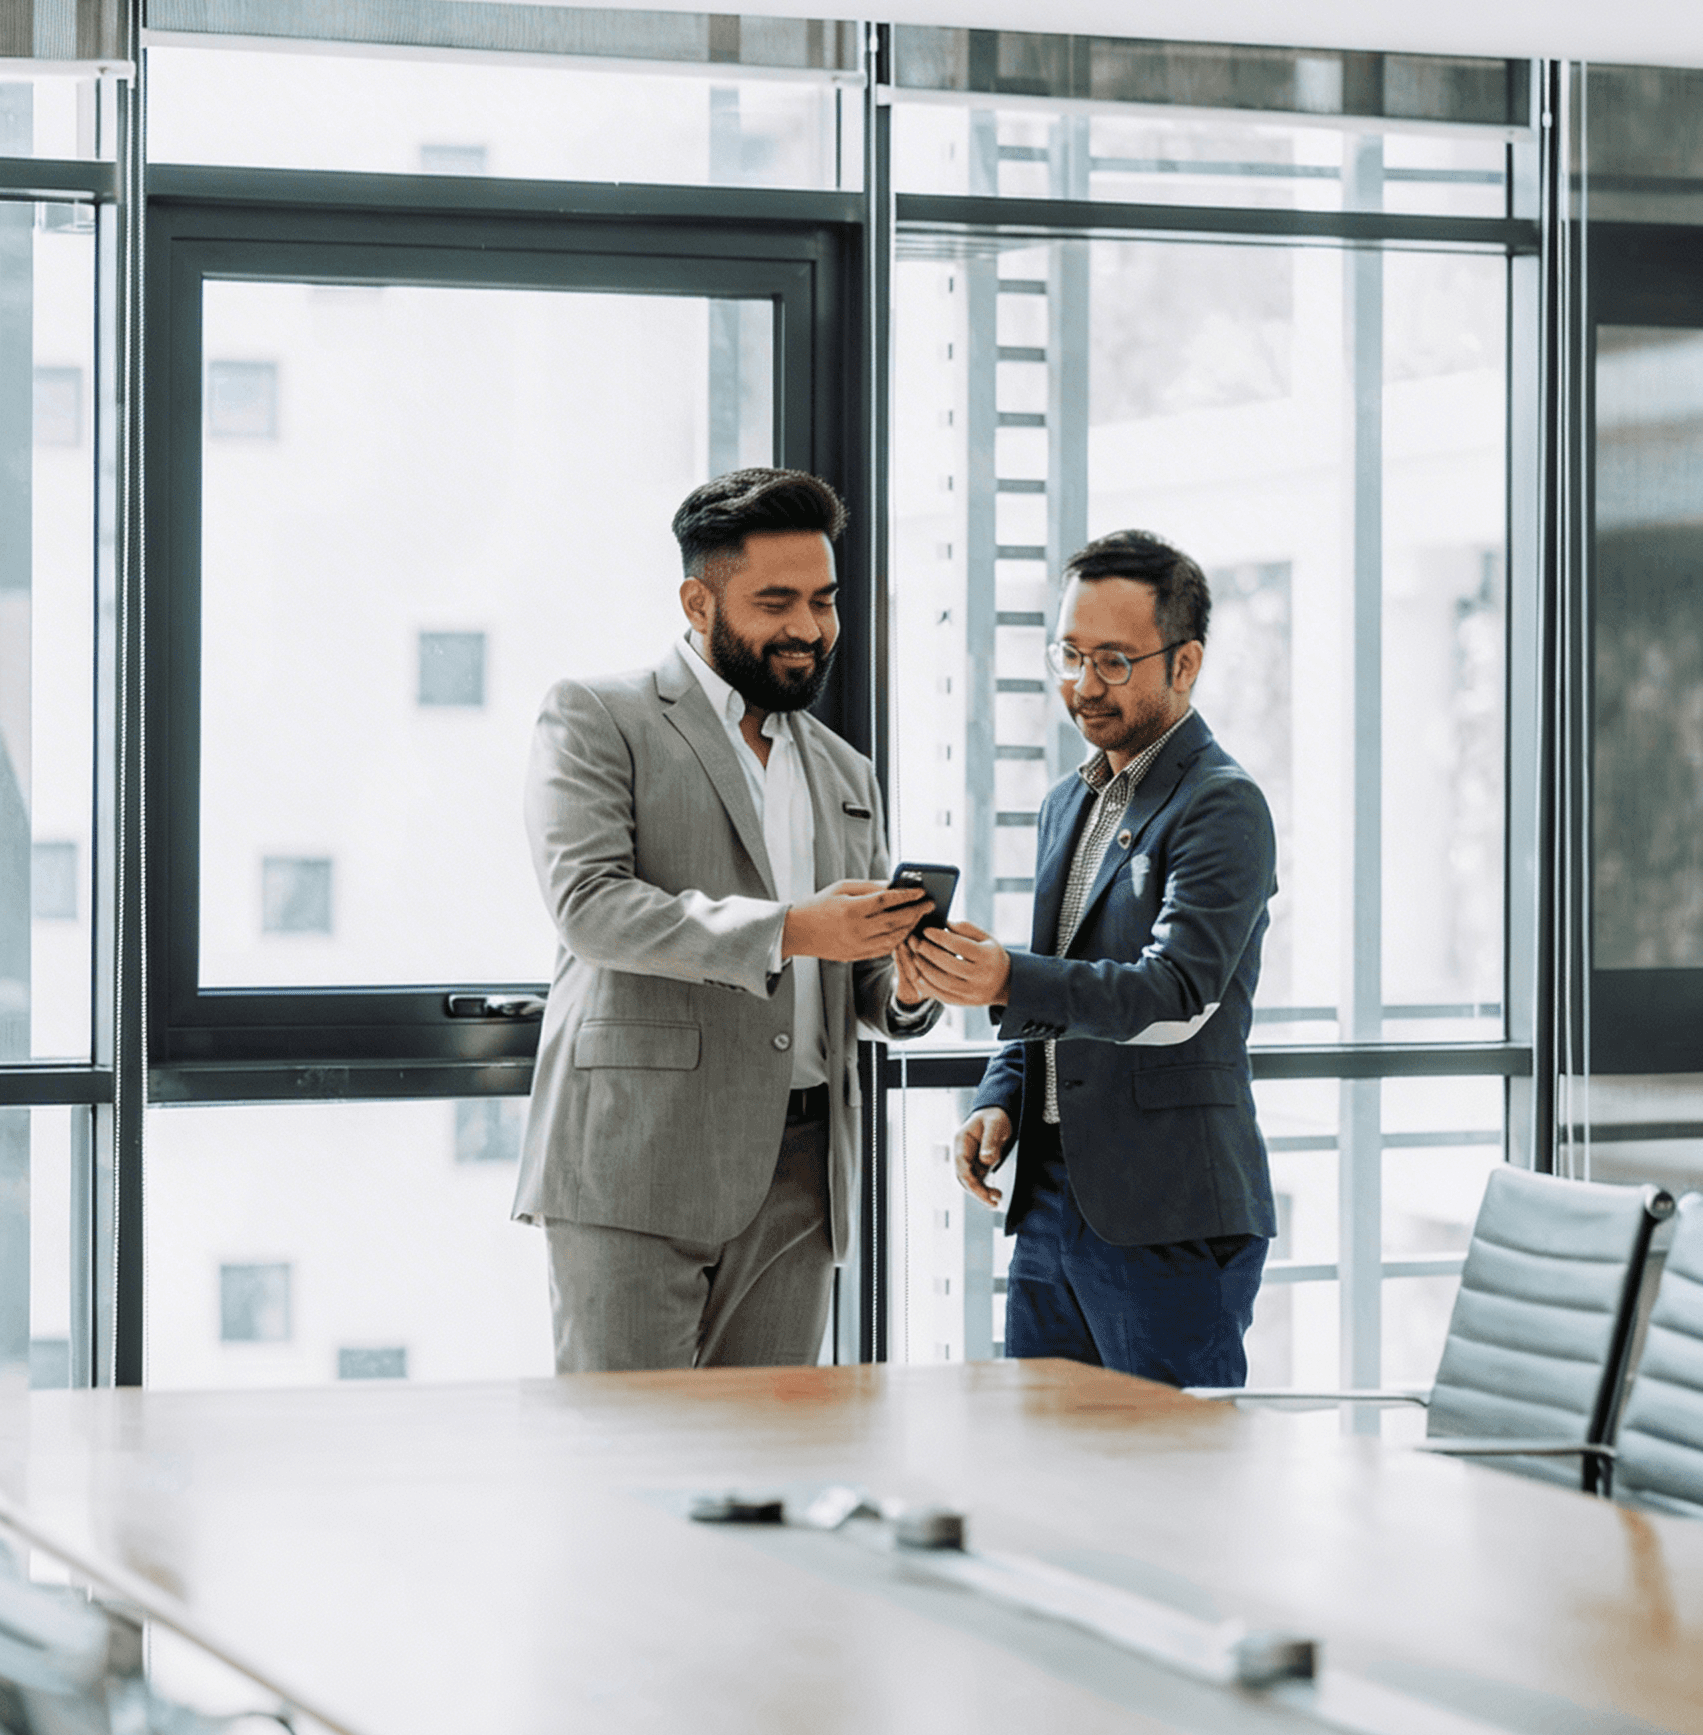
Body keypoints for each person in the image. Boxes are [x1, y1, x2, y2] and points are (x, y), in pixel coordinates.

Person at [512, 466, 939, 1375]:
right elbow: (591, 906)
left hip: (806, 1173)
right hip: (639, 1156)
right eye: (776, 601)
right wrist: (789, 929)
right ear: (698, 600)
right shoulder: (598, 717)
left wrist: (904, 983)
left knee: (768, 1471)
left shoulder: (845, 770)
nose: (808, 629)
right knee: (629, 1460)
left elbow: (854, 980)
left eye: (823, 600)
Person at [910, 529, 1276, 1389]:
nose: (1081, 686)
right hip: (1047, 1205)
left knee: (1171, 1495)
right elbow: (1063, 975)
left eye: (1112, 661)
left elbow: (1176, 991)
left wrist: (1004, 977)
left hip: (1168, 1213)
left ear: (1184, 665)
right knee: (1047, 1479)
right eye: (1069, 655)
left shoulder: (1221, 806)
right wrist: (1002, 1095)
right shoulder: (1067, 804)